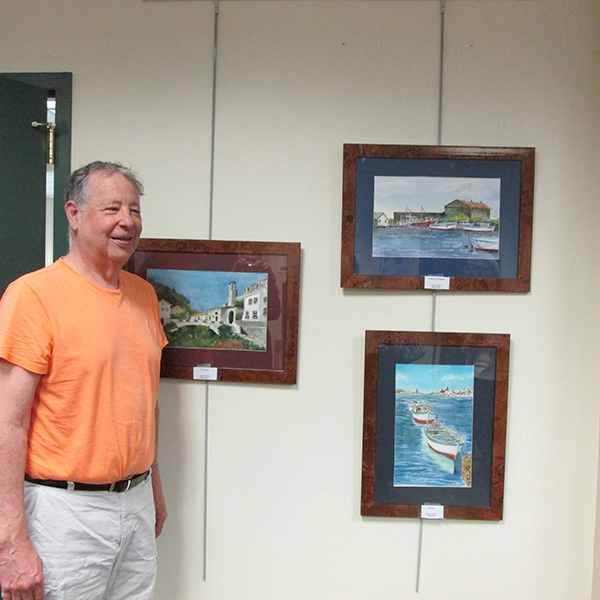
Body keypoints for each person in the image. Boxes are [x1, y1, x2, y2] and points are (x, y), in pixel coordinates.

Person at [0, 161, 168, 600]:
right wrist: (10, 539)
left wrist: (154, 487)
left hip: (136, 501)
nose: (127, 221)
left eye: (134, 209)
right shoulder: (33, 296)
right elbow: (7, 423)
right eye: (112, 208)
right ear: (73, 214)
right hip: (63, 513)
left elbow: (144, 404)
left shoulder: (145, 296)